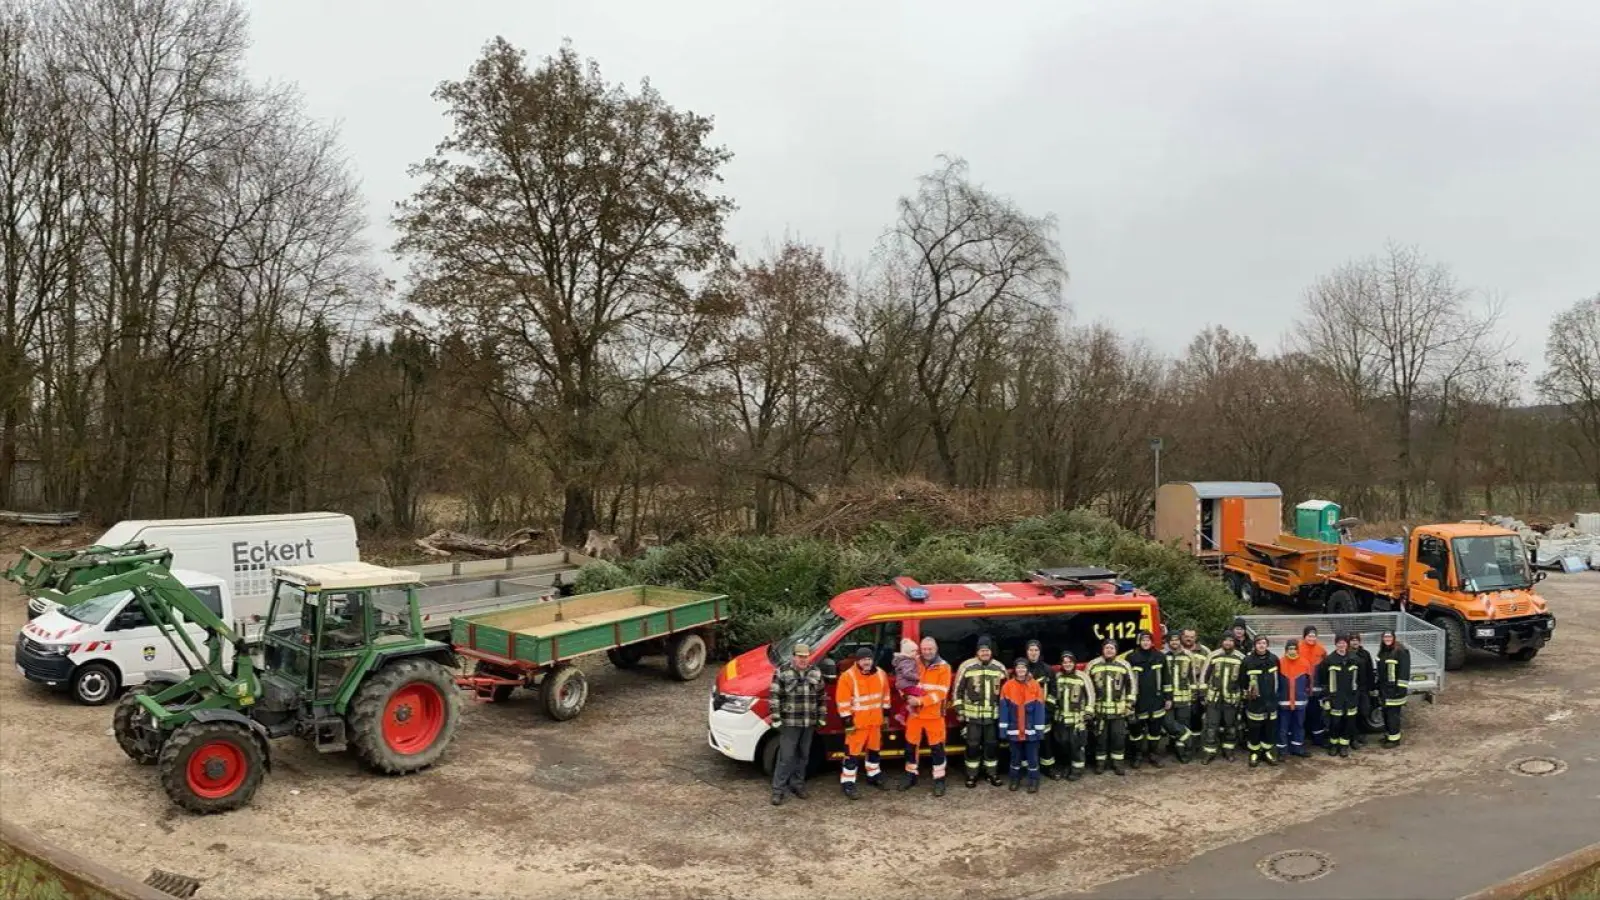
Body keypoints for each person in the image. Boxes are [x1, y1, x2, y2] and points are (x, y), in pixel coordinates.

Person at [767, 641, 827, 805]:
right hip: (790, 723)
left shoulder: (815, 672)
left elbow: (822, 697)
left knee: (803, 756)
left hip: (809, 723)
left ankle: (797, 785)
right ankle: (778, 790)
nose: (803, 660)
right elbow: (774, 696)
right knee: (786, 757)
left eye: (805, 657)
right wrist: (776, 717)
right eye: (800, 657)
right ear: (794, 657)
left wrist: (822, 716)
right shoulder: (782, 672)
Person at [836, 646, 890, 799]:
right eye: (863, 659)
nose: (866, 662)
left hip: (875, 723)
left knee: (874, 751)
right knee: (851, 755)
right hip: (857, 724)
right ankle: (848, 783)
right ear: (857, 661)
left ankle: (873, 775)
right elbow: (843, 702)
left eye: (869, 659)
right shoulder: (847, 677)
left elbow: (886, 697)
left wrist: (886, 716)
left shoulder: (881, 674)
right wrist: (848, 723)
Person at [902, 636, 953, 796]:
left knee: (937, 749)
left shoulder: (944, 667)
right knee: (910, 747)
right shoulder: (913, 661)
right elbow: (902, 679)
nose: (927, 652)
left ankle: (939, 780)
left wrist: (920, 701)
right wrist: (905, 695)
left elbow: (941, 693)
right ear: (920, 649)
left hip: (934, 716)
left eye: (930, 649)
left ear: (936, 649)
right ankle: (911, 775)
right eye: (924, 649)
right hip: (914, 715)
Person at [953, 636, 1007, 788]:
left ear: (991, 652)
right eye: (982, 650)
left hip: (992, 716)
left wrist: (1004, 714)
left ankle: (992, 773)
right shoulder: (967, 667)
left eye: (987, 650)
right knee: (972, 746)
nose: (985, 653)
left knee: (992, 745)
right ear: (977, 651)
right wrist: (960, 710)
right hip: (972, 717)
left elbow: (1006, 693)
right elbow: (957, 690)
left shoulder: (999, 668)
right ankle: (971, 775)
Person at [1087, 638, 1134, 776]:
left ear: (1116, 650)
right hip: (1099, 711)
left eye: (1112, 648)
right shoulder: (1093, 664)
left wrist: (1129, 704)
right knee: (1100, 738)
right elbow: (1087, 687)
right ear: (1103, 649)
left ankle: (1117, 763)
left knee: (1118, 738)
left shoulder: (1124, 664)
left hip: (1119, 711)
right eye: (1106, 647)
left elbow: (1132, 685)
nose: (1109, 650)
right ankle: (1100, 763)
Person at [999, 657, 1048, 792]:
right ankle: (1015, 779)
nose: (1021, 670)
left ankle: (1034, 780)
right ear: (1015, 669)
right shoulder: (1008, 686)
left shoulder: (1035, 685)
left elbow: (1039, 710)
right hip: (1014, 730)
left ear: (1027, 669)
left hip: (1030, 730)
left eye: (1023, 667)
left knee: (1032, 758)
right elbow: (1003, 709)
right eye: (1018, 667)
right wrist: (1003, 729)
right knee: (1015, 758)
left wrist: (1039, 730)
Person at [1124, 630, 1170, 769]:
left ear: (1152, 642)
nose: (1146, 642)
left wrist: (1168, 697)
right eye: (1143, 640)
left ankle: (1153, 755)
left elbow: (1166, 678)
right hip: (1138, 701)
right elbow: (1127, 681)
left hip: (1156, 700)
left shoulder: (1160, 657)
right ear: (1139, 641)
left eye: (1148, 640)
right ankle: (1137, 756)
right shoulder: (1131, 658)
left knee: (1155, 731)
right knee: (1136, 731)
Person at [1049, 649, 1096, 780]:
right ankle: (1067, 766)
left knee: (1077, 745)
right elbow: (1053, 696)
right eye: (1064, 662)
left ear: (1074, 663)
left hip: (1077, 719)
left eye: (1070, 662)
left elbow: (1090, 695)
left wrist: (1088, 713)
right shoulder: (1057, 677)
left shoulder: (1082, 676)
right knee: (1062, 744)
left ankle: (1077, 769)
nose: (1067, 664)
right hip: (1061, 718)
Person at [1198, 633, 1244, 763]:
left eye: (1231, 641)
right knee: (1211, 727)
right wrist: (1202, 693)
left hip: (1232, 699)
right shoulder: (1213, 655)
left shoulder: (1241, 657)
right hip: (1214, 699)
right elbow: (1204, 676)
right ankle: (1209, 752)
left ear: (1234, 642)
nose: (1228, 643)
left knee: (1231, 726)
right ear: (1222, 641)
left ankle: (1228, 750)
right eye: (1226, 640)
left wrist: (1242, 699)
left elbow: (1243, 680)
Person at [1319, 632, 1363, 757]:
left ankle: (1344, 745)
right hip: (1335, 697)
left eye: (1343, 643)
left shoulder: (1355, 659)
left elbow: (1361, 678)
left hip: (1351, 697)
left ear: (1346, 644)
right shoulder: (1329, 660)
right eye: (1339, 643)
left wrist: (1357, 693)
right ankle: (1334, 745)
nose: (1341, 645)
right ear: (1335, 644)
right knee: (1335, 722)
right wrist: (1326, 697)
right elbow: (1323, 681)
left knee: (1349, 722)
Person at [1241, 635, 1280, 767]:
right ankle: (1254, 752)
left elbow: (1279, 679)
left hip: (1271, 701)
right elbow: (1243, 682)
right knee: (1254, 728)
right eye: (1259, 643)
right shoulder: (1247, 661)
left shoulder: (1274, 659)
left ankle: (1267, 751)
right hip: (1255, 702)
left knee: (1269, 728)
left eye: (1264, 643)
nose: (1261, 645)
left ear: (1267, 645)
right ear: (1254, 645)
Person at [1022, 640, 1059, 775]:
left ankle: (1048, 768)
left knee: (1046, 742)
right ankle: (1027, 770)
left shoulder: (1047, 669)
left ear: (1040, 652)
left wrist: (1048, 708)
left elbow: (1054, 690)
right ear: (1026, 652)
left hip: (1043, 712)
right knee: (1027, 742)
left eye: (1036, 650)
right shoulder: (1021, 669)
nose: (1033, 653)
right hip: (1026, 714)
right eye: (1031, 650)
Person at [1164, 631, 1200, 763]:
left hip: (1185, 698)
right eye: (1172, 640)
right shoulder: (1163, 656)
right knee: (1168, 723)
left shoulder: (1188, 655)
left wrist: (1194, 695)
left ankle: (1183, 752)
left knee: (1183, 724)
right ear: (1168, 642)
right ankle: (1189, 741)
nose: (1174, 642)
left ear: (1180, 641)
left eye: (1177, 640)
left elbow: (1192, 677)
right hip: (1168, 699)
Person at [1275, 638, 1313, 759]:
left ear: (1298, 650)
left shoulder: (1305, 663)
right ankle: (1282, 750)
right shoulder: (1280, 663)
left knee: (1299, 726)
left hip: (1300, 702)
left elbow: (1309, 682)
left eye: (1294, 648)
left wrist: (1306, 694)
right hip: (1284, 702)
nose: (1292, 651)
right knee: (1283, 728)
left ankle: (1297, 748)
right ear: (1286, 650)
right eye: (1290, 648)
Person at [1377, 630, 1412, 747]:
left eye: (1389, 637)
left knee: (1393, 715)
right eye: (1385, 637)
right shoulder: (1382, 652)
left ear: (1394, 638)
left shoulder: (1401, 651)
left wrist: (1400, 689)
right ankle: (1388, 736)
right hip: (1385, 690)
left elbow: (1404, 672)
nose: (1387, 639)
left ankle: (1394, 740)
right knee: (1386, 714)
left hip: (1395, 691)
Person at [1299, 625, 1328, 747]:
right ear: (1304, 636)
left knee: (1317, 715)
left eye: (1314, 635)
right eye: (1309, 635)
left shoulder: (1321, 649)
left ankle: (1318, 739)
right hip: (1302, 688)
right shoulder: (1298, 648)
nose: (1311, 638)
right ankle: (1302, 738)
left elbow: (1325, 666)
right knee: (1301, 716)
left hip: (1316, 689)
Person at [1349, 633, 1377, 747]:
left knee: (1363, 711)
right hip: (1351, 690)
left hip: (1363, 688)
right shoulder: (1346, 654)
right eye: (1352, 640)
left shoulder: (1365, 654)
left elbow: (1370, 671)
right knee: (1351, 714)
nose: (1355, 642)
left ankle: (1360, 734)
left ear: (1360, 642)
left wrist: (1371, 687)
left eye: (1356, 640)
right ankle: (1353, 737)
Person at [890, 638, 924, 726]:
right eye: (913, 651)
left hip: (904, 684)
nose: (916, 653)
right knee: (922, 693)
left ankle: (901, 715)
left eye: (916, 651)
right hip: (907, 684)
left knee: (909, 699)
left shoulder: (905, 660)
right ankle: (910, 709)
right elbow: (907, 673)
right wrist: (918, 678)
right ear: (907, 653)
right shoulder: (907, 661)